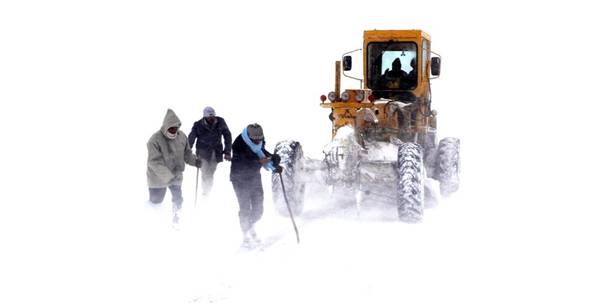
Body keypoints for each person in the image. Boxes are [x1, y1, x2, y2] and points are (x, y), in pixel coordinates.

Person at [230, 123, 281, 248]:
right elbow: (244, 163)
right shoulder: (238, 144)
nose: (258, 141)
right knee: (245, 207)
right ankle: (245, 234)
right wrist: (261, 161)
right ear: (249, 136)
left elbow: (261, 151)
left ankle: (251, 227)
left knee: (258, 209)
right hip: (239, 179)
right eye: (255, 139)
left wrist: (274, 161)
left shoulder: (259, 142)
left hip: (254, 177)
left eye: (260, 139)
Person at [147, 109, 198, 225]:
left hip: (176, 175)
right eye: (171, 128)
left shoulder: (182, 137)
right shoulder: (154, 140)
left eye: (176, 128)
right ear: (166, 126)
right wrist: (166, 176)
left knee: (178, 198)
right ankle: (153, 222)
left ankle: (177, 217)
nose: (174, 130)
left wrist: (195, 161)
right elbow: (154, 162)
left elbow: (187, 154)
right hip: (157, 178)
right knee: (156, 202)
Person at [187, 106, 232, 196]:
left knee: (210, 172)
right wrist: (187, 151)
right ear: (205, 117)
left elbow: (227, 135)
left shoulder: (220, 122)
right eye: (209, 117)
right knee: (205, 172)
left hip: (216, 153)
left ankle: (207, 191)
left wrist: (227, 151)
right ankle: (205, 192)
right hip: (202, 153)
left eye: (213, 116)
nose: (212, 118)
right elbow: (191, 137)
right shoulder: (198, 125)